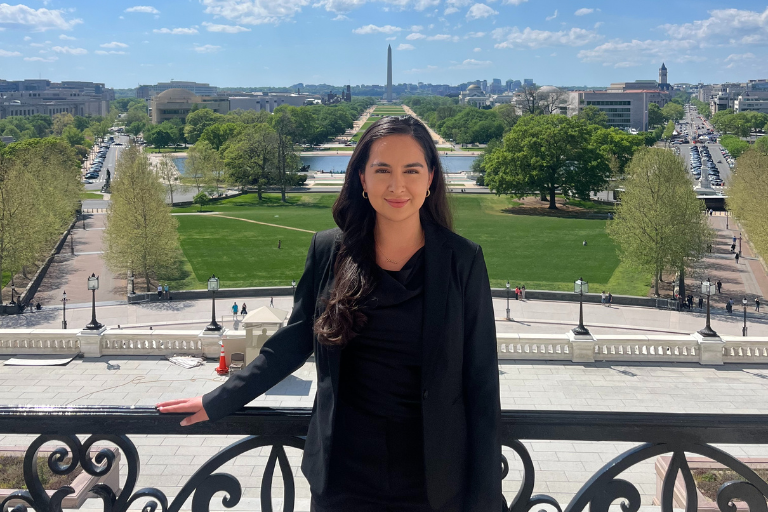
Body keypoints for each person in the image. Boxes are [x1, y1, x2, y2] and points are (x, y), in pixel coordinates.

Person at [155, 115, 501, 512]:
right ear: (361, 179)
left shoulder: (462, 260)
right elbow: (293, 342)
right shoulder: (328, 251)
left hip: (434, 481)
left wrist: (487, 498)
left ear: (431, 179)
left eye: (411, 170)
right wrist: (217, 400)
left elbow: (482, 384)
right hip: (343, 477)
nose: (397, 185)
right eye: (382, 170)